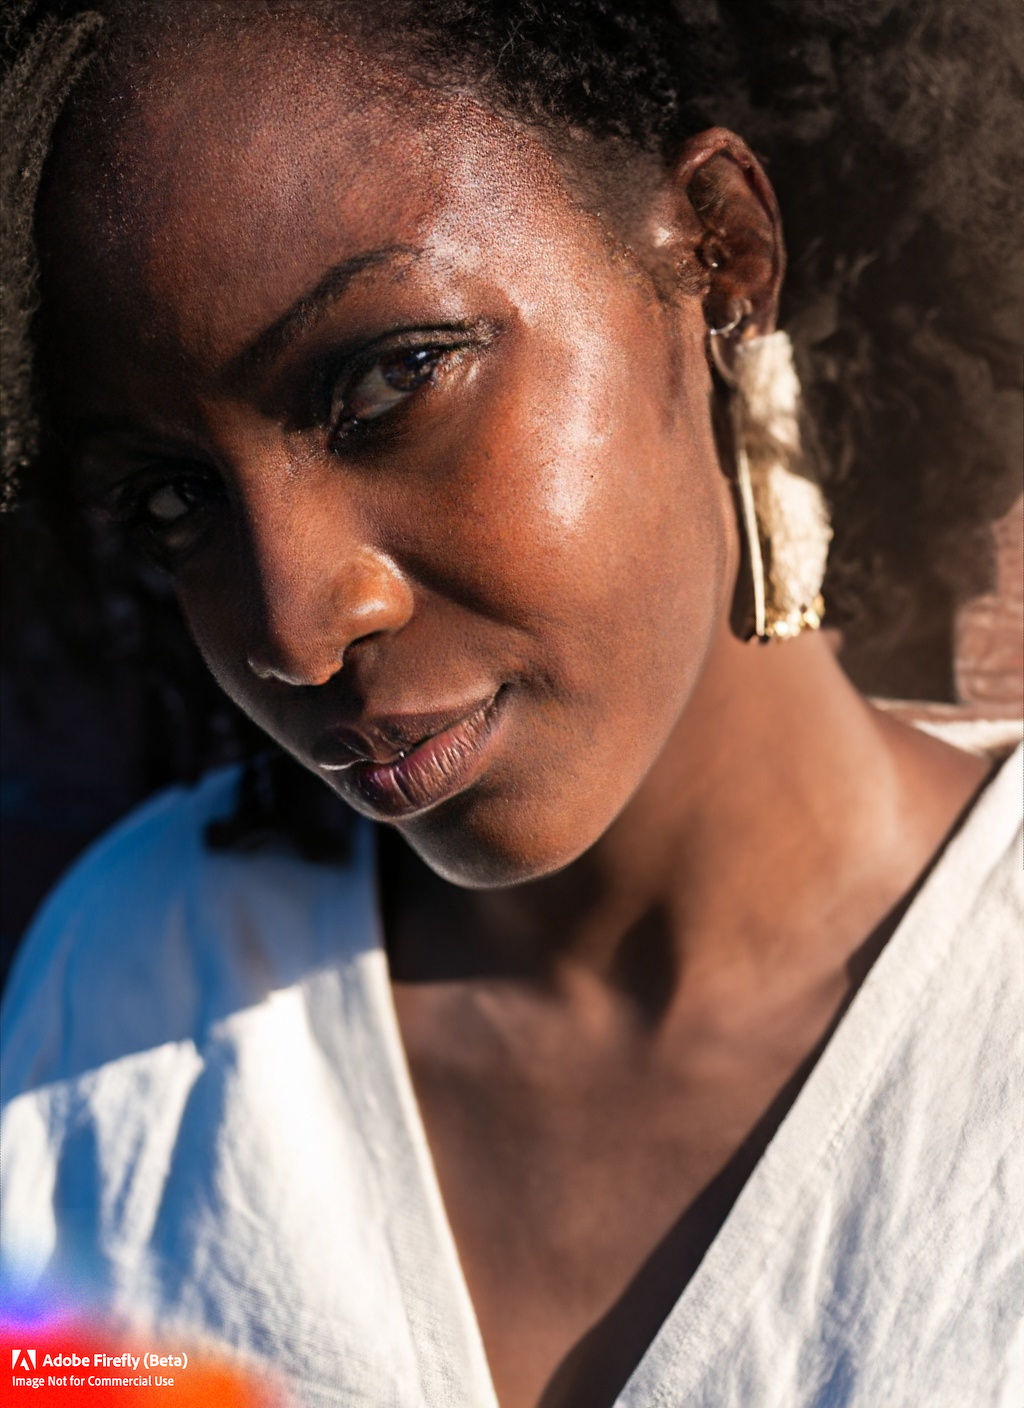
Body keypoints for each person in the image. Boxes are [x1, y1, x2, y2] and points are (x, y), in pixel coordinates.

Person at [1, 2, 1021, 1405]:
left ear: (719, 254)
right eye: (174, 498)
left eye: (392, 376)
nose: (296, 627)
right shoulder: (123, 1001)